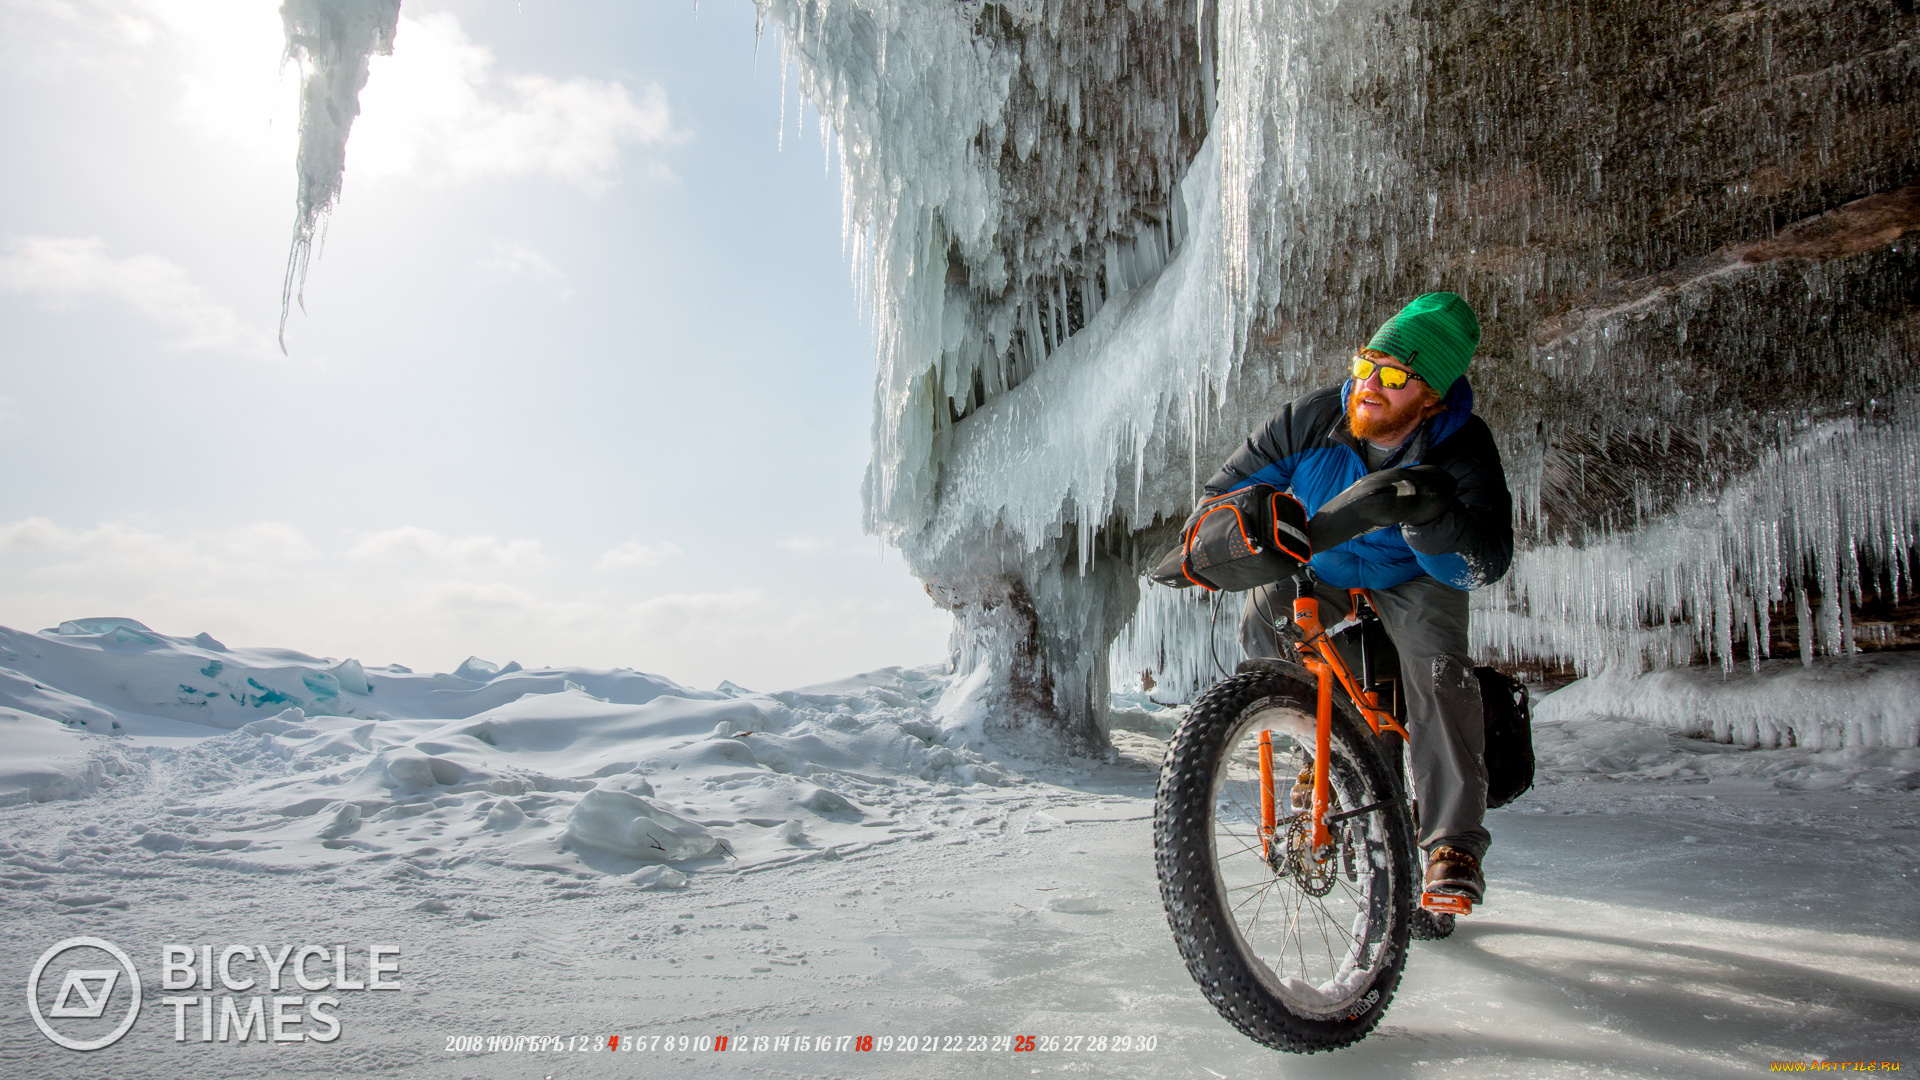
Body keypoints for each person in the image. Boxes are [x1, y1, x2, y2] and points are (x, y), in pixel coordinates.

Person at [1202, 292, 1513, 904]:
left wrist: (1428, 519)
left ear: (1433, 397)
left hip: (1416, 573)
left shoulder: (1463, 447)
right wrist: (1222, 541)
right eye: (1367, 363)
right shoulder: (1311, 420)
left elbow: (1483, 559)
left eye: (1395, 375)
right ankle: (1314, 750)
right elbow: (1226, 493)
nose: (1371, 383)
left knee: (1438, 669)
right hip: (1325, 563)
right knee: (1264, 626)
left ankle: (1451, 843)